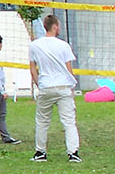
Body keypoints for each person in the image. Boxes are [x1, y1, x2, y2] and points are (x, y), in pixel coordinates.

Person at [27, 13, 79, 163]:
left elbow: (32, 69)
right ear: (55, 27)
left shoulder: (35, 45)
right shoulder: (63, 45)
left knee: (42, 122)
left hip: (46, 86)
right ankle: (73, 153)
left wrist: (40, 85)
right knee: (69, 121)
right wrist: (72, 87)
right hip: (63, 86)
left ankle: (40, 153)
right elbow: (69, 69)